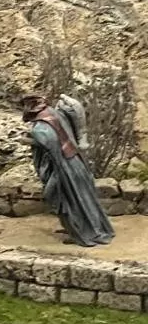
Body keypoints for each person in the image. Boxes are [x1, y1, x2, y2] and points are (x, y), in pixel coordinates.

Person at [22, 93, 116, 247]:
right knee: (83, 198)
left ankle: (82, 231)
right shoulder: (53, 113)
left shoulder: (41, 126)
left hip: (65, 168)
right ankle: (79, 228)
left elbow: (50, 144)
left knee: (67, 199)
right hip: (73, 161)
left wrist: (28, 140)